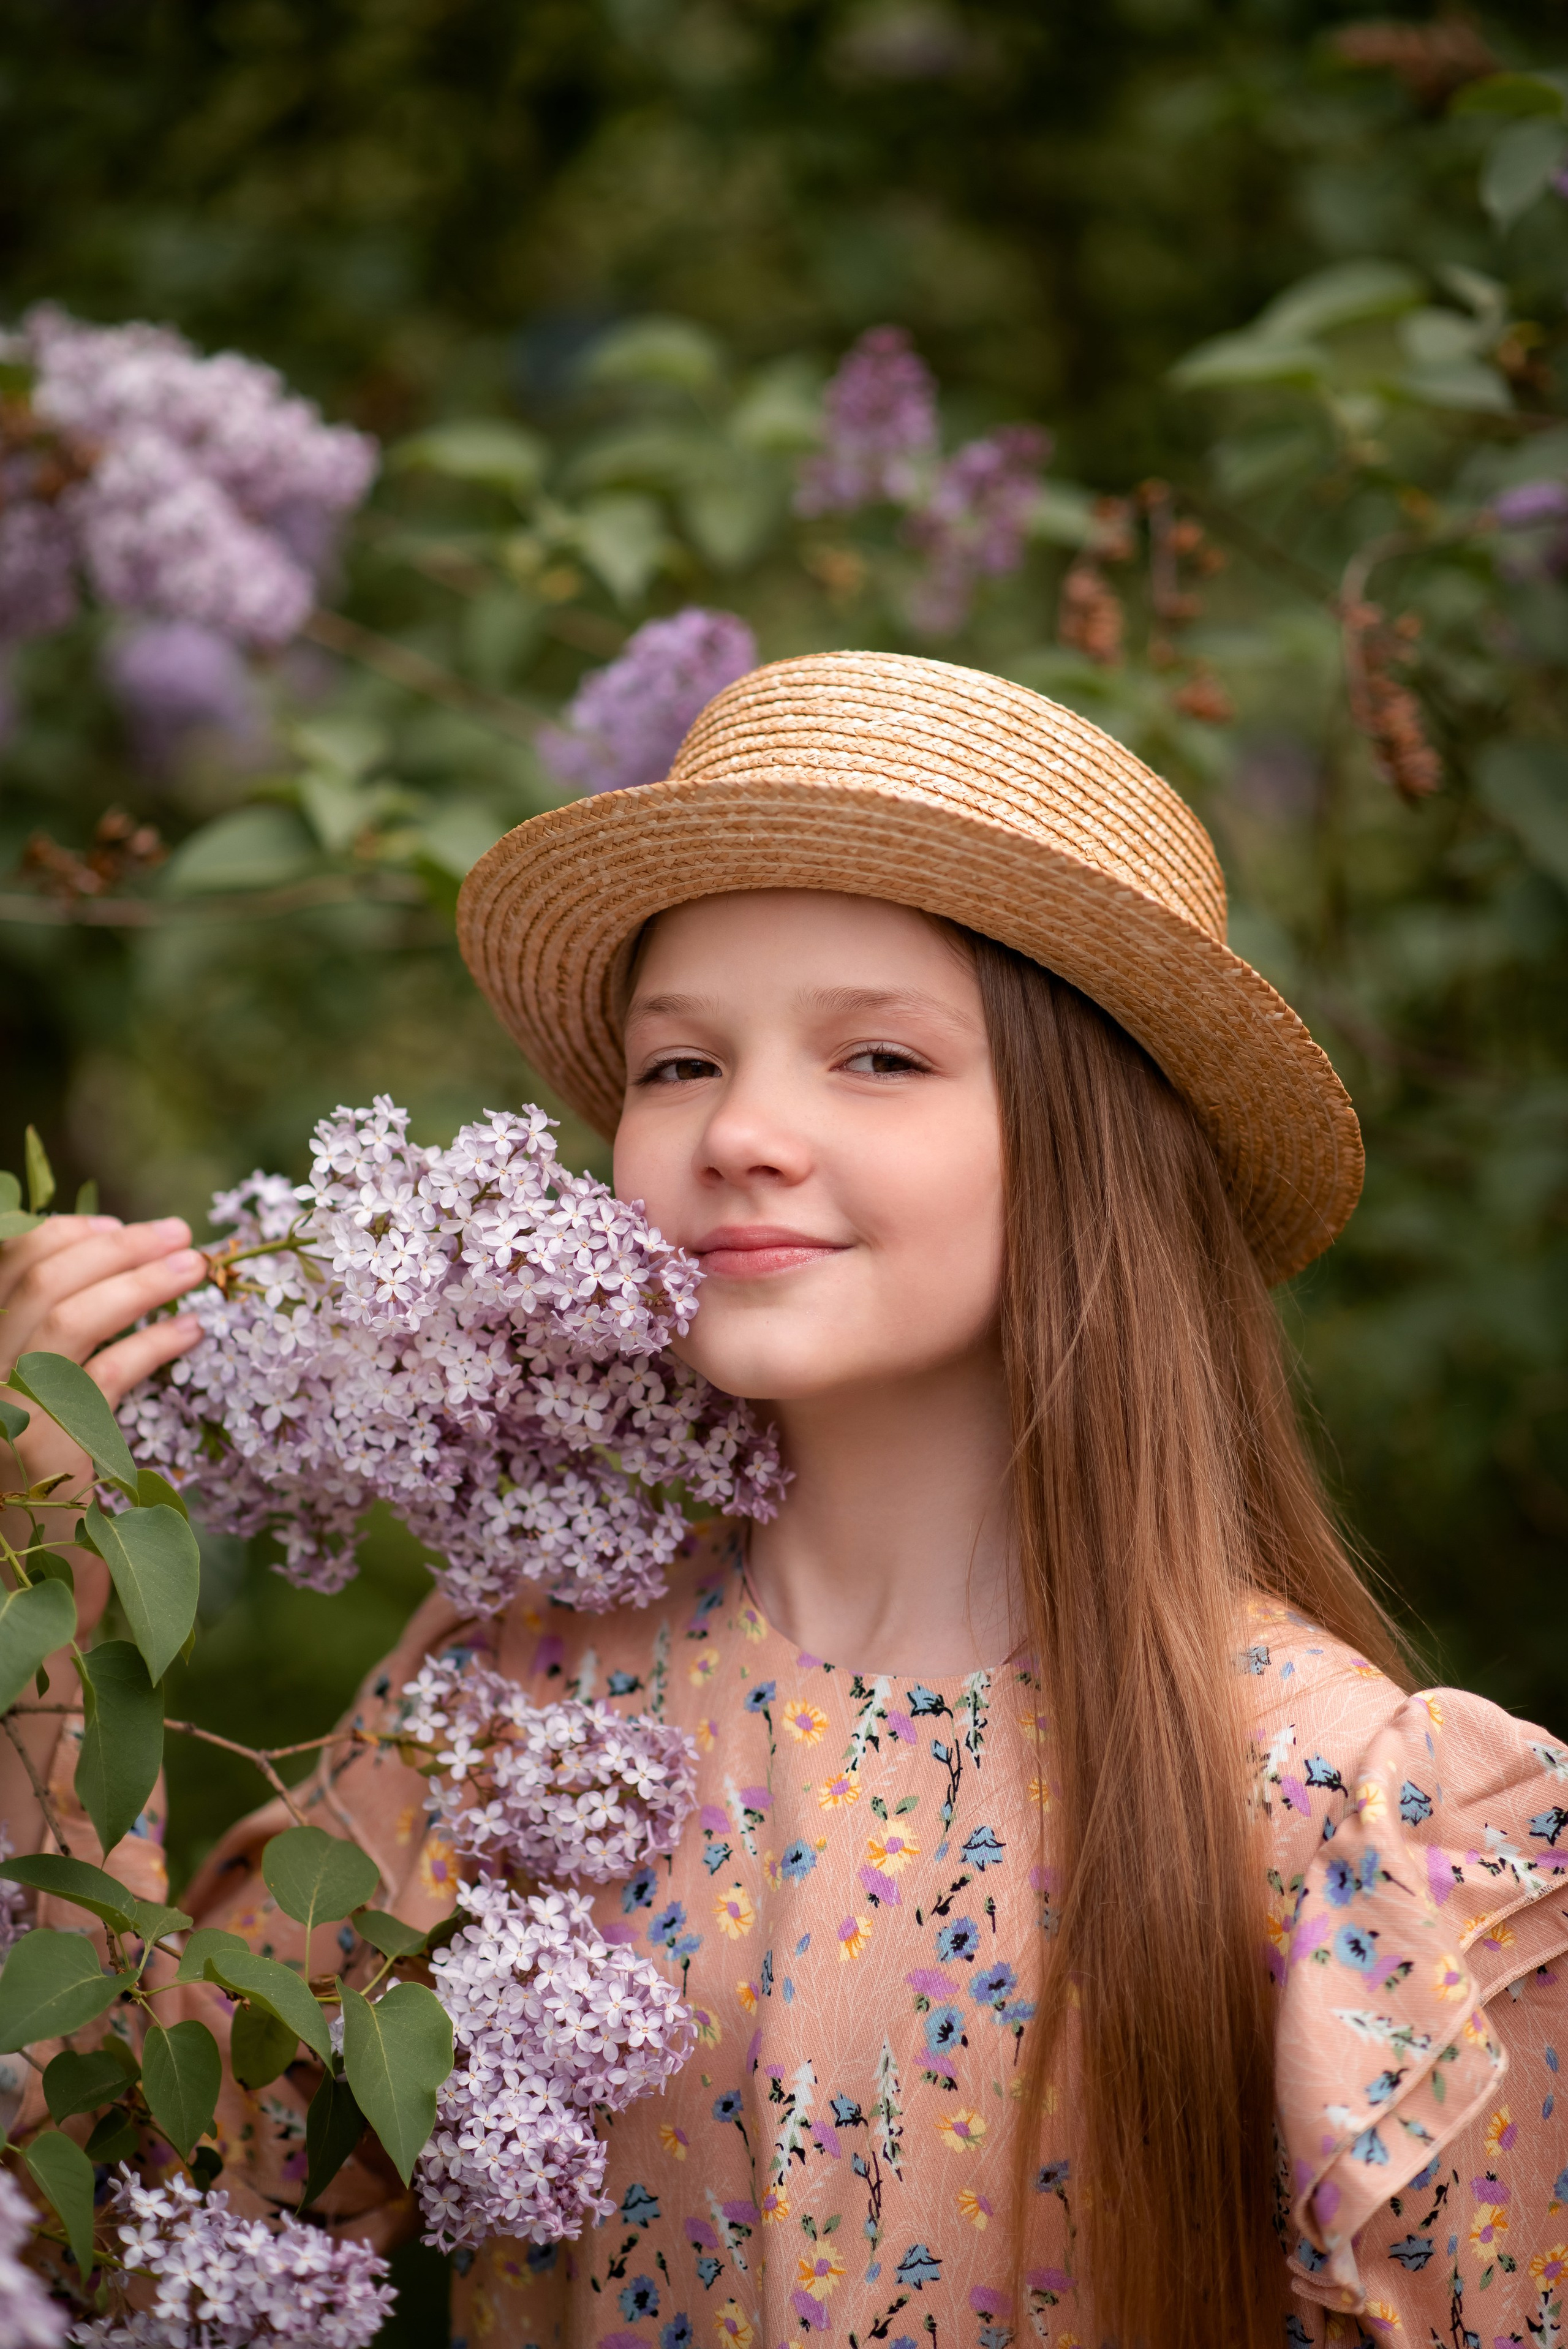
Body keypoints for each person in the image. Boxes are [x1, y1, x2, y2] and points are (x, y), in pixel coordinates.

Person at [3, 650, 1566, 2348]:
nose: (743, 1129)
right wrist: (47, 1578)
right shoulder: (522, 1702)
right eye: (677, 1066)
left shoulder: (1345, 1811)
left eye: (878, 1057)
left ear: (1089, 1148)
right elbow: (122, 2206)